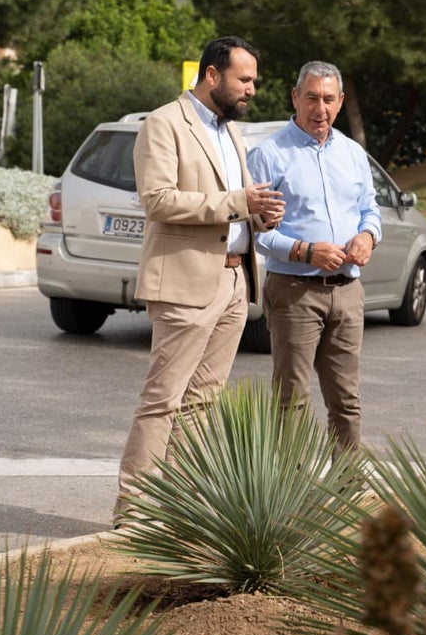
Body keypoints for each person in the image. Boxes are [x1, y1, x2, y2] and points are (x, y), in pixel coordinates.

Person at [113, 35, 285, 526]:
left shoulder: (230, 132)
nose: (252, 89)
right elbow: (158, 201)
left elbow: (235, 202)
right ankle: (133, 514)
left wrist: (259, 217)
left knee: (202, 405)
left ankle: (180, 511)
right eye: (244, 79)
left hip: (233, 283)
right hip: (185, 284)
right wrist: (238, 203)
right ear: (213, 74)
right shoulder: (165, 123)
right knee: (163, 401)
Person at [248, 60, 382, 454]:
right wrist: (305, 251)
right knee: (291, 401)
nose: (319, 108)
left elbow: (370, 210)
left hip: (348, 292)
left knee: (347, 401)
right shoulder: (269, 154)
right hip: (294, 292)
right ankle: (290, 497)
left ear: (340, 102)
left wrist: (368, 236)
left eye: (327, 99)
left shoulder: (354, 154)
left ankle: (347, 490)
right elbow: (256, 232)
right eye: (311, 98)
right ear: (295, 97)